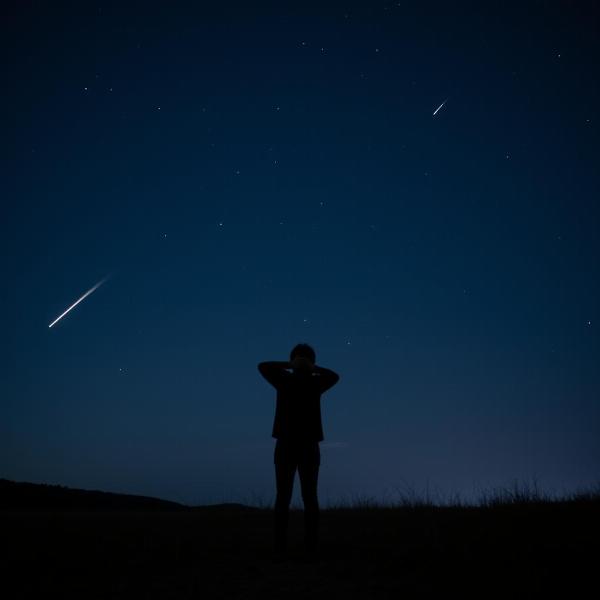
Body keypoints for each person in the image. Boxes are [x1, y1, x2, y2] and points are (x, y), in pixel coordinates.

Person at [257, 343, 340, 561]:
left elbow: (334, 376)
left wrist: (304, 366)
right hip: (295, 445)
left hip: (297, 445)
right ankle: (287, 545)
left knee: (303, 497)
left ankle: (300, 545)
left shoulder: (307, 382)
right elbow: (263, 366)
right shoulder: (291, 380)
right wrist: (297, 365)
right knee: (292, 497)